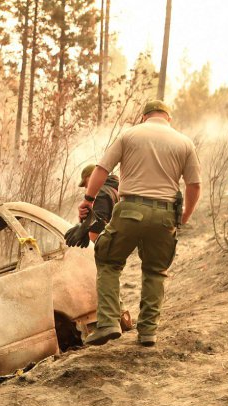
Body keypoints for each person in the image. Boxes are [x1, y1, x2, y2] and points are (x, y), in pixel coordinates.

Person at [79, 99, 201, 347]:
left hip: (130, 210)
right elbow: (194, 185)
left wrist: (89, 200)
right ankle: (147, 333)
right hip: (165, 215)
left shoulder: (129, 135)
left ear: (144, 117)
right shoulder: (184, 142)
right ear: (168, 118)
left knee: (108, 260)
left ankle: (109, 322)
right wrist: (184, 217)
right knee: (156, 271)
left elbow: (102, 169)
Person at [65, 164, 120, 246]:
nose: (86, 187)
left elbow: (98, 226)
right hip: (116, 242)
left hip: (106, 247)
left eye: (85, 183)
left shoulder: (101, 192)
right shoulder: (113, 190)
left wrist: (85, 228)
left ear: (93, 176)